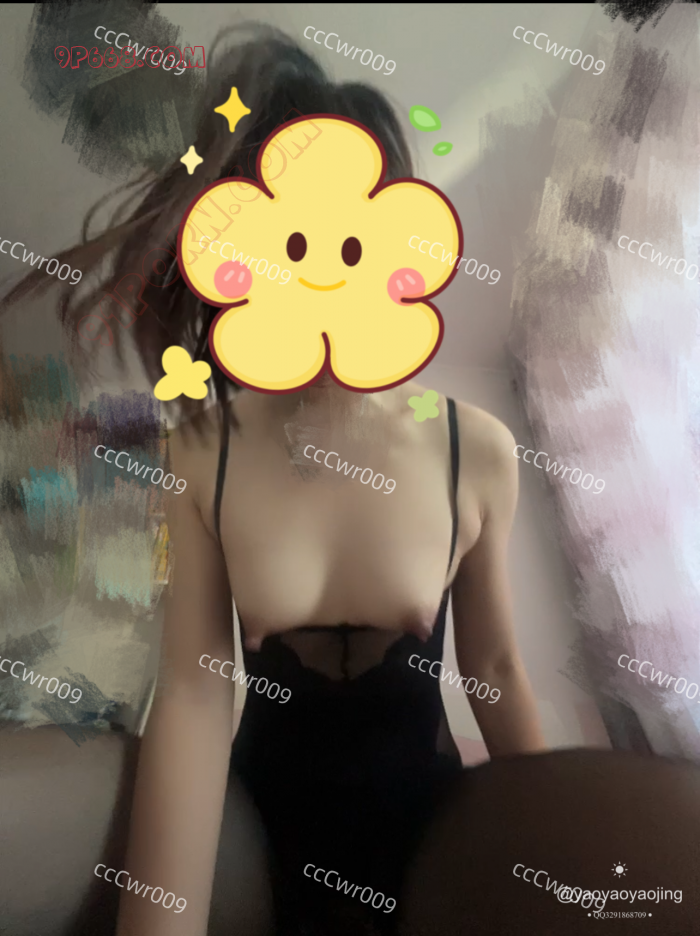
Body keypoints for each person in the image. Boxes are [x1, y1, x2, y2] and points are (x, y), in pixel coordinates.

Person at [3, 23, 545, 936]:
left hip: (430, 823)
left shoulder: (477, 451)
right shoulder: (200, 450)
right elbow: (193, 689)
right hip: (256, 829)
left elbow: (494, 668)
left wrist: (557, 849)